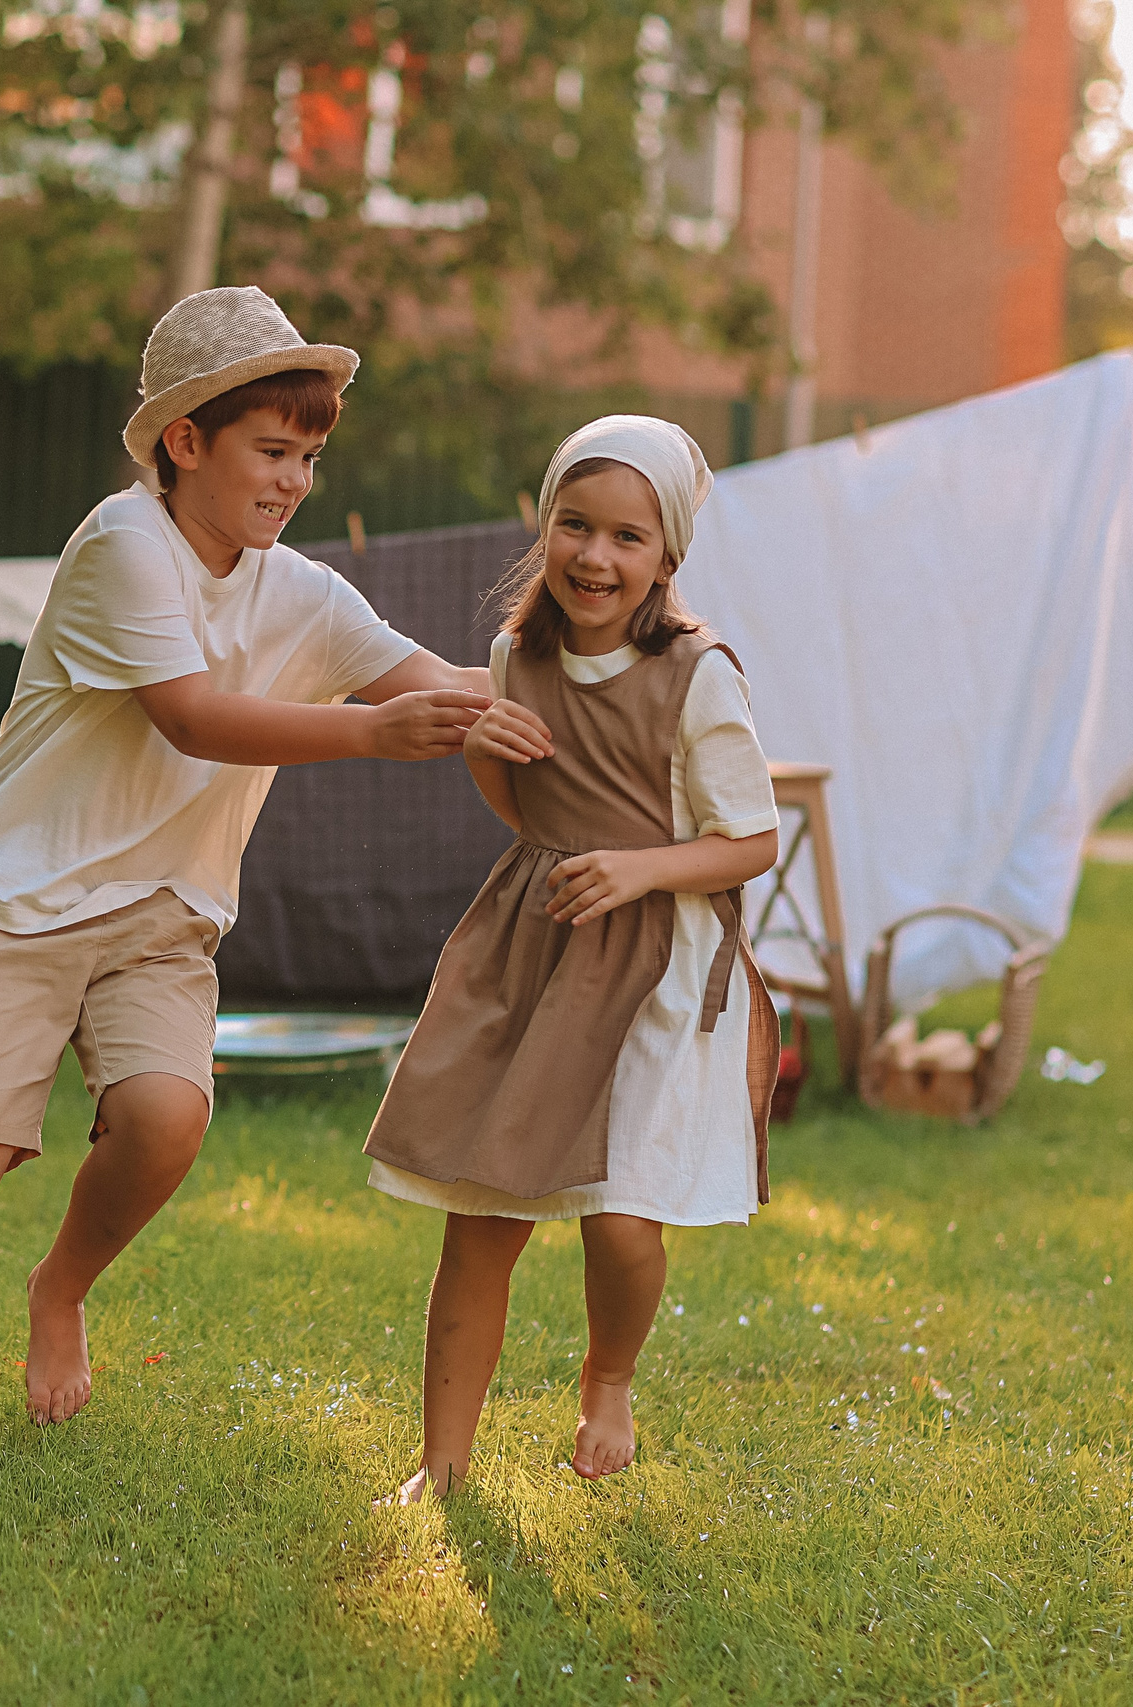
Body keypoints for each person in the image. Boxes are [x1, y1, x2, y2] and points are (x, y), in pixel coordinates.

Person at [0, 286, 493, 1462]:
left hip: (161, 912)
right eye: (271, 452)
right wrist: (370, 737)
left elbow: (448, 689)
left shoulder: (306, 594)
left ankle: (58, 1290)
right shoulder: (121, 542)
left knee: (167, 1120)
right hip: (20, 896)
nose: (293, 482)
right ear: (185, 442)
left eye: (310, 457)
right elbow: (190, 717)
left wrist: (624, 694)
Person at [362, 416, 782, 1502]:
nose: (596, 556)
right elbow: (524, 812)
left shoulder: (695, 677)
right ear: (545, 527)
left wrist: (642, 871)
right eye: (575, 526)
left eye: (627, 538)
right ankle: (441, 1465)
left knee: (622, 1218)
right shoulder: (514, 657)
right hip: (536, 946)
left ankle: (608, 1375)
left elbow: (753, 840)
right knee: (482, 1212)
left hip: (653, 957)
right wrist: (480, 746)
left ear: (665, 557)